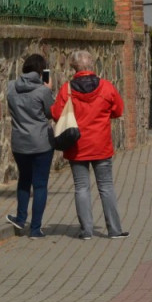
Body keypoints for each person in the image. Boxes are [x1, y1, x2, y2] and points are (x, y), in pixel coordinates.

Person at [51, 50, 128, 240]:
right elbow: (118, 110)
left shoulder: (67, 89)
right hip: (101, 145)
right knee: (106, 186)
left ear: (73, 67)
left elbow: (55, 114)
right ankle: (114, 230)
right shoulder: (106, 87)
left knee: (81, 187)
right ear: (92, 64)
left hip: (77, 146)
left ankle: (86, 231)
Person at [5, 53, 55, 238]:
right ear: (42, 72)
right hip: (41, 143)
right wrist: (49, 90)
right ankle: (35, 229)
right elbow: (51, 113)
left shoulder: (11, 87)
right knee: (40, 185)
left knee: (24, 180)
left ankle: (20, 219)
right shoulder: (42, 91)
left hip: (19, 143)